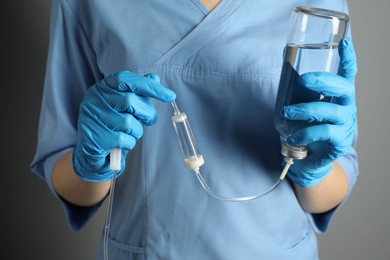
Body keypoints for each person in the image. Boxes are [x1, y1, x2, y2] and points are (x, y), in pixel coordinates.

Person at [31, 0, 358, 259]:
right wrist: (91, 164)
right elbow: (65, 176)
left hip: (273, 249)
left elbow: (329, 188)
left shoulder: (318, 8)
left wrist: (312, 170)